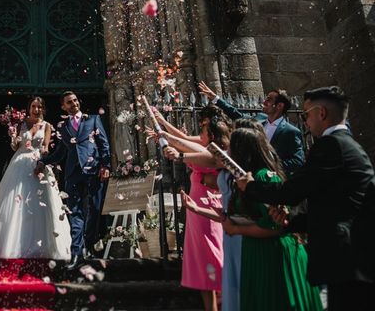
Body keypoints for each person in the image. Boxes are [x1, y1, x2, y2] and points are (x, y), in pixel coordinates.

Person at [237, 86, 375, 309]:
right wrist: (291, 221)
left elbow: (292, 191)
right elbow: (332, 203)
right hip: (352, 255)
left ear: (321, 113)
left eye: (306, 114)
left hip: (349, 257)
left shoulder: (332, 145)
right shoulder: (345, 145)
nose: (305, 122)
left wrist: (251, 186)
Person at [225, 127, 322, 310]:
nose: (228, 152)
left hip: (273, 255)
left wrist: (236, 229)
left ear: (242, 151)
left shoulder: (262, 176)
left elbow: (275, 226)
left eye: (232, 147)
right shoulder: (245, 178)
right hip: (257, 251)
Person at [148, 106, 227, 311]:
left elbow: (183, 143)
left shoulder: (216, 154)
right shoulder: (205, 148)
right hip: (196, 208)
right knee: (203, 264)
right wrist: (163, 127)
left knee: (214, 259)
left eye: (203, 129)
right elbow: (183, 140)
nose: (199, 132)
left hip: (207, 209)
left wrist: (169, 138)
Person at [0, 96, 71, 260]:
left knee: (39, 203)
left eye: (39, 107)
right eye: (33, 106)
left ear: (43, 109)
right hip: (18, 164)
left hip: (37, 164)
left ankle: (43, 246)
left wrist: (43, 159)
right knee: (14, 202)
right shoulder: (21, 123)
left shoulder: (47, 126)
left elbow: (45, 148)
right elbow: (15, 146)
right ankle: (10, 245)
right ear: (29, 107)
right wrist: (13, 136)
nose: (36, 109)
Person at [35, 91, 110, 269]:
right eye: (69, 102)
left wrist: (105, 166)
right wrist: (43, 161)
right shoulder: (63, 127)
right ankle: (76, 253)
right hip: (72, 174)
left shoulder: (92, 120)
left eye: (75, 100)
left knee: (95, 209)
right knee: (75, 213)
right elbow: (61, 152)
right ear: (63, 106)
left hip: (93, 171)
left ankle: (88, 245)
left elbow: (103, 144)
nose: (74, 104)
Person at [199, 81, 304, 176]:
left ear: (279, 106)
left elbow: (297, 161)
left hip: (275, 181)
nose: (264, 101)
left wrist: (271, 167)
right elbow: (236, 114)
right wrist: (215, 98)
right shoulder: (258, 120)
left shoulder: (291, 132)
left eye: (269, 99)